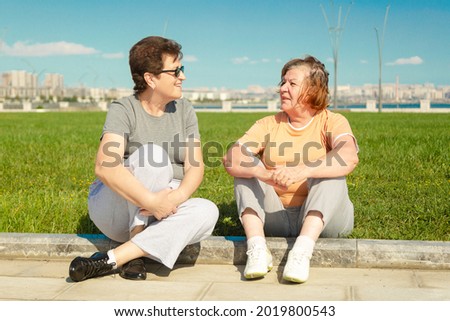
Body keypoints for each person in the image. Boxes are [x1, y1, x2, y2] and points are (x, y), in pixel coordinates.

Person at [69, 36, 219, 282]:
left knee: (207, 211)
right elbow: (105, 167)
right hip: (117, 208)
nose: (183, 76)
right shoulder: (124, 109)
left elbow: (195, 165)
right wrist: (151, 200)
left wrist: (174, 198)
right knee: (152, 156)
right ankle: (137, 235)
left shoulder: (185, 110)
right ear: (151, 78)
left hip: (164, 208)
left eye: (182, 69)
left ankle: (118, 257)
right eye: (176, 71)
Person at [222, 55, 359, 283]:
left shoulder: (332, 121)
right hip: (276, 217)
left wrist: (303, 170)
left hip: (326, 220)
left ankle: (301, 252)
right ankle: (257, 249)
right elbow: (231, 157)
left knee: (331, 172)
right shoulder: (268, 124)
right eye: (282, 83)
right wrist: (264, 174)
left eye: (292, 84)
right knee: (246, 168)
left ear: (313, 89)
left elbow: (348, 157)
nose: (283, 89)